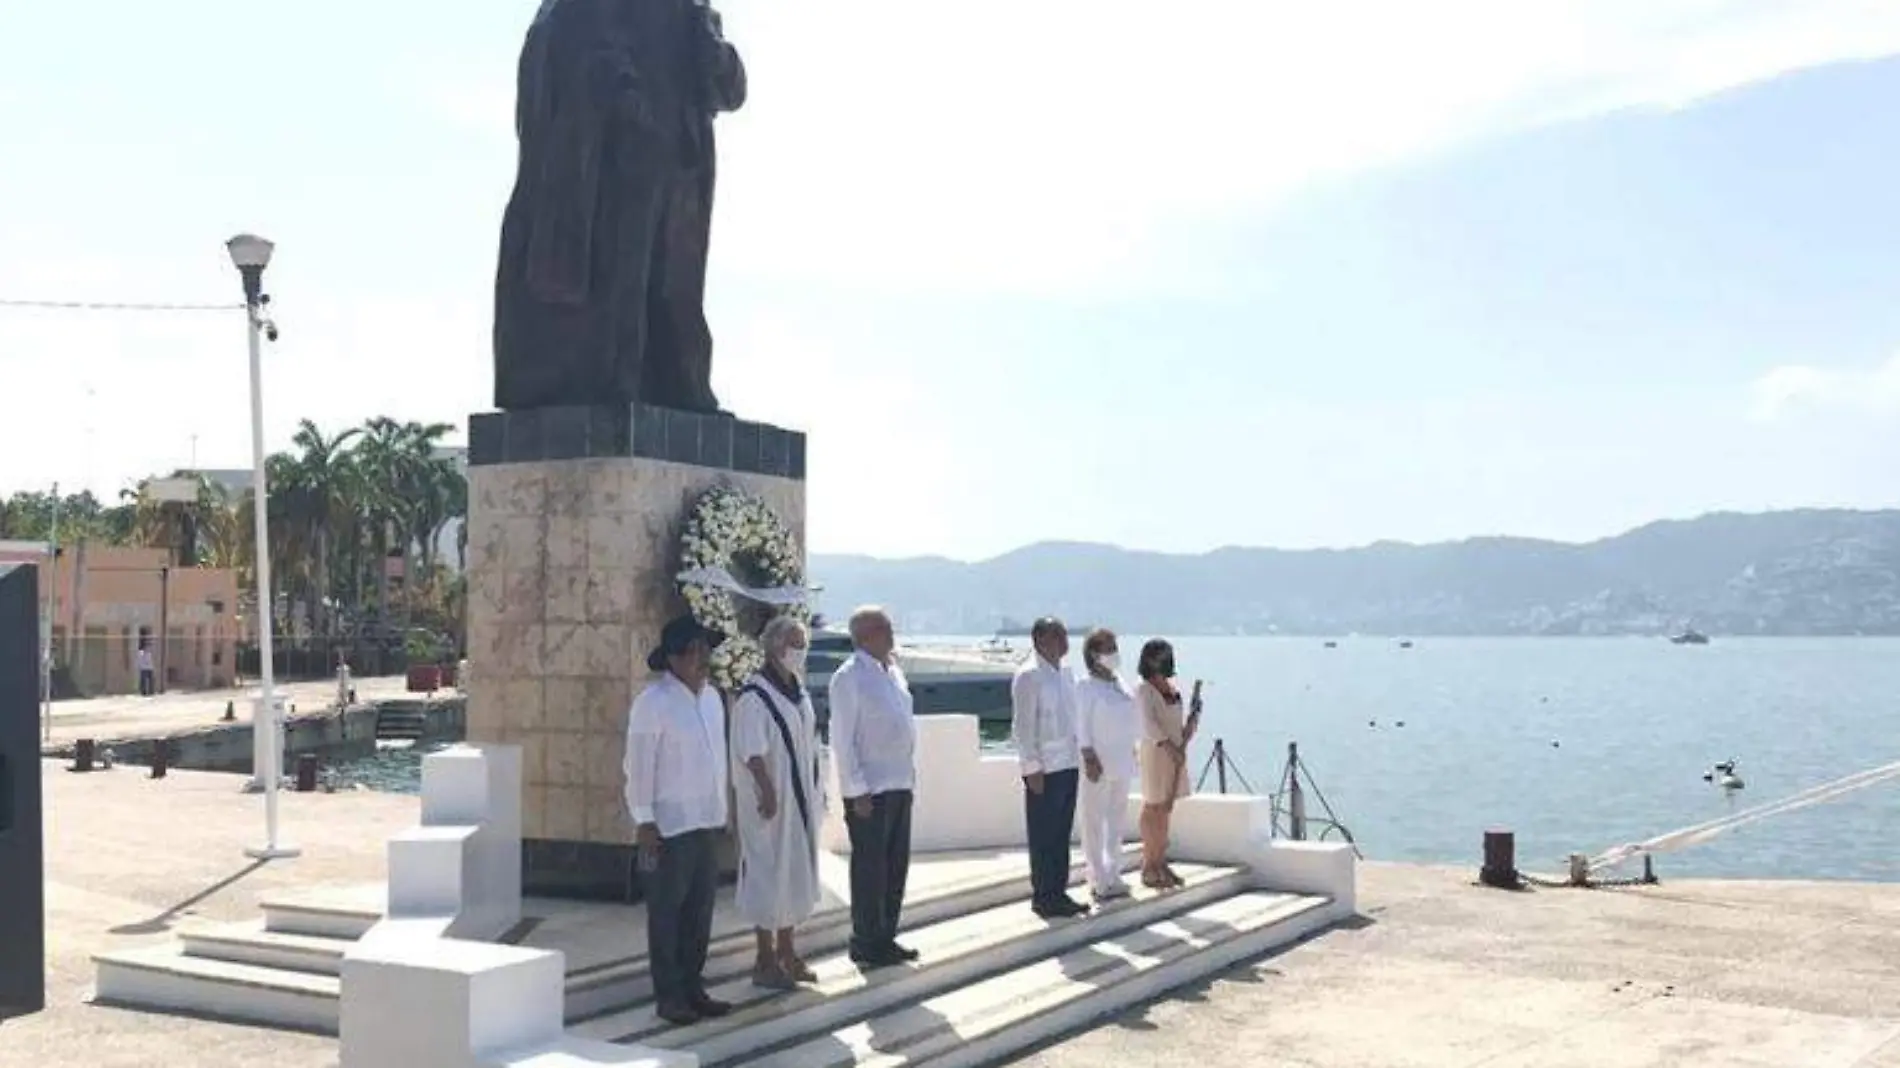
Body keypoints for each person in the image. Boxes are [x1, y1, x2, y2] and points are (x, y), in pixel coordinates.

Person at [624, 614, 734, 1026]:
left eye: (706, 650)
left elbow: (717, 760)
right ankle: (669, 996)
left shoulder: (712, 699)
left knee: (700, 912)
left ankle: (693, 986)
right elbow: (637, 764)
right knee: (666, 914)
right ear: (672, 659)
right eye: (693, 651)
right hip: (668, 824)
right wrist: (644, 819)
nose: (702, 659)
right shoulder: (653, 703)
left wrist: (723, 810)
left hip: (705, 820)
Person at [730, 616, 824, 989]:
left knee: (792, 871)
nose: (799, 652)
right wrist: (767, 789)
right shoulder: (755, 695)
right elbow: (751, 750)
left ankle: (788, 950)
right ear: (774, 647)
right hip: (770, 803)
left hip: (798, 799)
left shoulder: (796, 690)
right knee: (768, 871)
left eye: (803, 643)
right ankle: (764, 957)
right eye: (793, 644)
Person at [829, 605, 919, 968]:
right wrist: (856, 790)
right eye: (884, 628)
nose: (891, 633)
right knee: (870, 869)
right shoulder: (848, 678)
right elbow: (843, 738)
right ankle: (866, 940)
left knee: (895, 866)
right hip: (871, 790)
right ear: (864, 637)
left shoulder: (894, 672)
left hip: (899, 782)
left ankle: (886, 936)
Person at [1011, 617, 1088, 919]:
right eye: (1058, 635)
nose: (1065, 641)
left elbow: (1073, 718)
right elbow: (1023, 727)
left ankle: (1059, 890)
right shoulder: (1029, 676)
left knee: (1060, 833)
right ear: (1041, 640)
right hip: (1045, 768)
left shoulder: (1065, 674)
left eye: (1065, 634)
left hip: (1068, 763)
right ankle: (1044, 894)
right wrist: (1031, 768)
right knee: (1043, 833)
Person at [1074, 628, 1140, 902]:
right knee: (1093, 820)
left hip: (1122, 760)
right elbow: (1080, 725)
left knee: (1116, 819)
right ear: (1093, 654)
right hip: (1098, 763)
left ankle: (1114, 873)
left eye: (1115, 646)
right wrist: (1088, 756)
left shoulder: (1119, 683)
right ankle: (1097, 877)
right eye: (1108, 647)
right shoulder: (1086, 687)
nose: (1114, 652)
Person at [1135, 638, 1201, 890]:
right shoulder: (1143, 689)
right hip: (1157, 752)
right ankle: (1149, 864)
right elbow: (1148, 723)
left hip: (1176, 751)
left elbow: (1176, 721)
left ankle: (1160, 862)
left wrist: (1188, 730)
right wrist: (1169, 746)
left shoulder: (1172, 687)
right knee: (1153, 806)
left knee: (1166, 807)